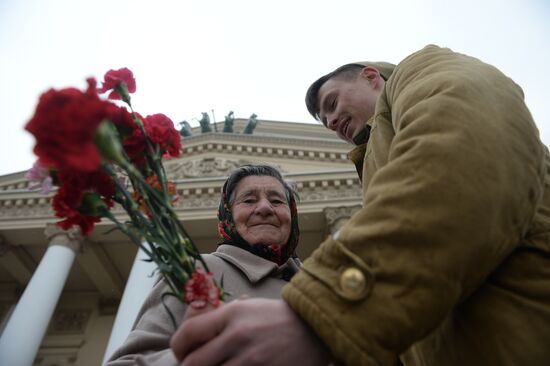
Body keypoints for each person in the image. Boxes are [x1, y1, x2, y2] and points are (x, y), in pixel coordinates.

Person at [171, 44, 550, 365]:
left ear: (371, 77)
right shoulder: (375, 157)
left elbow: (466, 159)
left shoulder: (420, 71)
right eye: (324, 120)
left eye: (333, 103)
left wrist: (325, 313)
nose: (332, 121)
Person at [105, 164, 307, 365]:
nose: (264, 208)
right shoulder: (198, 270)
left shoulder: (317, 282)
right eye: (249, 200)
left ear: (292, 214)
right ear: (227, 215)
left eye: (277, 201)